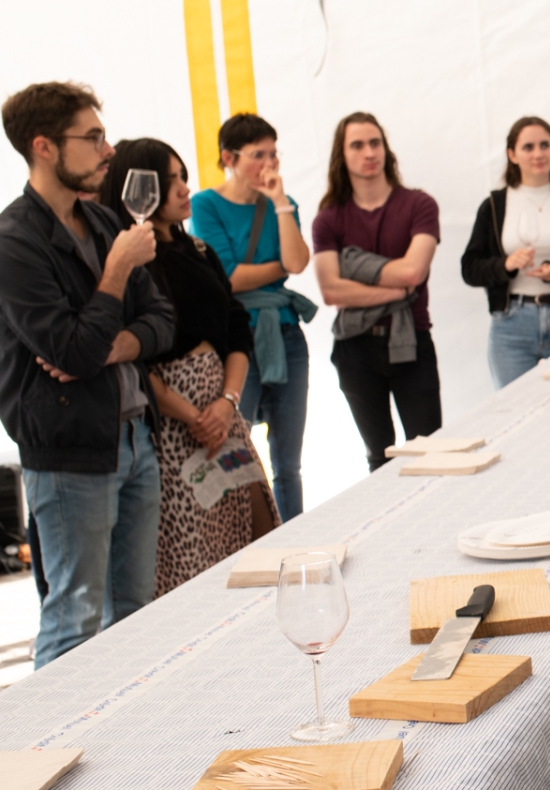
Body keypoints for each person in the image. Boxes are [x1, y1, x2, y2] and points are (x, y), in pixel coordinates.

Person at [0, 83, 174, 667]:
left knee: (136, 612)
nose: (107, 149)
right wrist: (116, 272)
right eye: (92, 137)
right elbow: (72, 350)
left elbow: (162, 321)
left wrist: (114, 349)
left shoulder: (103, 219)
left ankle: (128, 724)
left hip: (134, 438)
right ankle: (59, 728)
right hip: (69, 455)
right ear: (43, 146)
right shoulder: (9, 245)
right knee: (74, 620)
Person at [100, 139, 278, 597]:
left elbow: (236, 328)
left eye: (183, 176)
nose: (185, 189)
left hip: (222, 411)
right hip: (170, 424)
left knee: (260, 531)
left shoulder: (198, 250)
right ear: (140, 189)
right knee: (196, 557)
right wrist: (193, 416)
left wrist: (227, 402)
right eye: (171, 180)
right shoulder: (130, 261)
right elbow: (136, 356)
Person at [189, 113, 314, 520]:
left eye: (274, 154)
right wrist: (280, 268)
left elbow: (298, 262)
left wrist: (280, 202)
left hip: (286, 335)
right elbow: (229, 277)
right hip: (239, 340)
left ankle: (293, 535)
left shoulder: (283, 204)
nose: (269, 164)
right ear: (229, 157)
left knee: (289, 463)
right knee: (236, 453)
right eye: (258, 154)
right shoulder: (205, 205)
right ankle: (247, 534)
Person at [311, 112, 443, 471]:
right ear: (341, 155)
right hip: (355, 350)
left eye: (375, 143)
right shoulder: (328, 219)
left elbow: (414, 271)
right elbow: (331, 290)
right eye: (357, 145)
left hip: (411, 342)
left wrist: (354, 269)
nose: (369, 153)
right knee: (379, 459)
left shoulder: (419, 204)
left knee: (431, 453)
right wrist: (398, 291)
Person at [460, 117, 550, 388]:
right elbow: (470, 269)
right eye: (528, 147)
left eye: (545, 145)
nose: (538, 154)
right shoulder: (494, 206)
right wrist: (505, 265)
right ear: (512, 155)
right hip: (511, 325)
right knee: (512, 407)